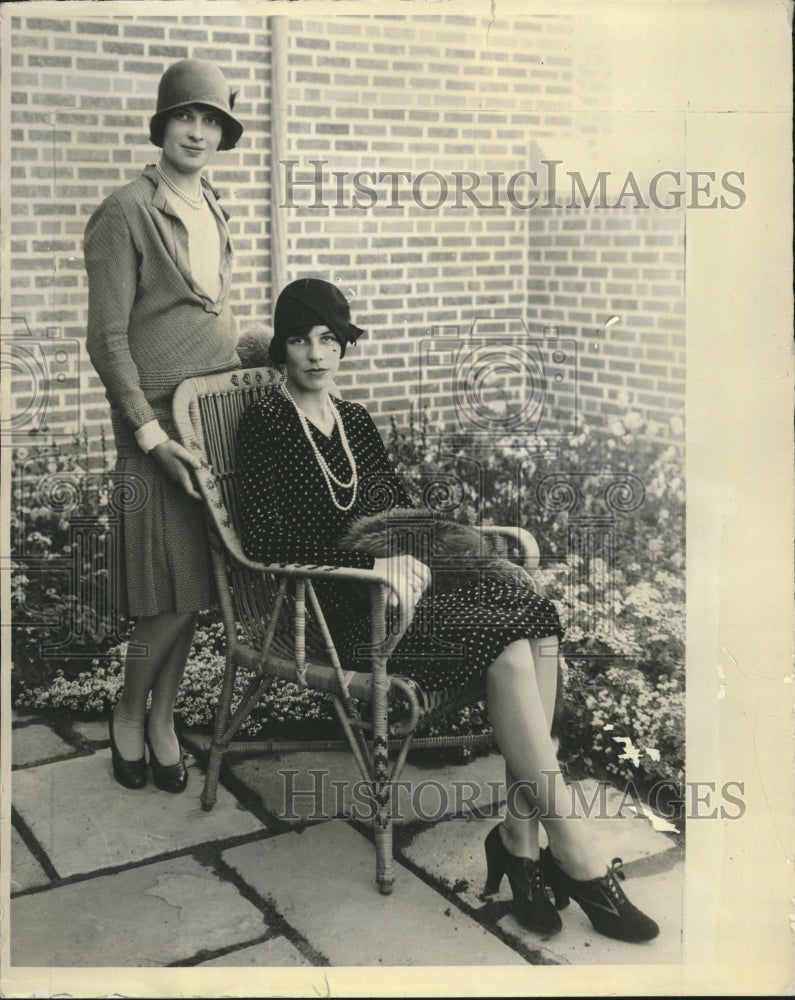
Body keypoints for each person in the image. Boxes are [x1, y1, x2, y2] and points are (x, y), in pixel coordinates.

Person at [235, 277, 659, 943]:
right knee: (520, 634)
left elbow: (392, 518)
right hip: (339, 614)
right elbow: (260, 537)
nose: (314, 353)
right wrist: (369, 565)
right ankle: (570, 855)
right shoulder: (265, 420)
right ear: (281, 349)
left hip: (401, 601)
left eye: (327, 338)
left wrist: (412, 554)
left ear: (344, 345)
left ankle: (522, 843)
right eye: (298, 338)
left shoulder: (354, 422)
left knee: (529, 627)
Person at [83, 59, 244, 794]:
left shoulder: (214, 205)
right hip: (154, 431)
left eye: (212, 120)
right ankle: (127, 710)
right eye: (188, 116)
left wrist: (284, 346)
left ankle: (163, 719)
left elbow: (212, 318)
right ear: (162, 124)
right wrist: (149, 434)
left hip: (212, 424)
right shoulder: (125, 211)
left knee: (196, 592)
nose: (199, 131)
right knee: (166, 592)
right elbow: (108, 340)